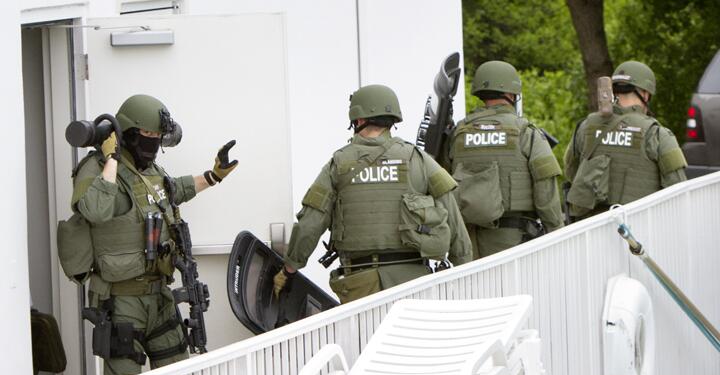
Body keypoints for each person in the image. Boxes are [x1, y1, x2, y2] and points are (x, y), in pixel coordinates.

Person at [66, 94, 238, 375]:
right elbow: (93, 208)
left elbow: (171, 191)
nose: (153, 143)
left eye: (158, 137)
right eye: (145, 136)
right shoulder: (98, 168)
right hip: (121, 301)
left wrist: (211, 177)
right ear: (124, 135)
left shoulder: (150, 170)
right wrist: (108, 159)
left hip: (159, 297)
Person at [273, 84, 472, 304]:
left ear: (357, 119)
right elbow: (452, 216)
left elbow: (311, 223)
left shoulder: (339, 163)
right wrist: (465, 266)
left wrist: (289, 270)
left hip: (360, 284)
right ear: (392, 119)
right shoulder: (418, 158)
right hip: (414, 283)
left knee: (367, 339)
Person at [443, 60, 564, 259]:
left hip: (468, 244)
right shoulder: (525, 132)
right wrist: (557, 230)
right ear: (511, 94)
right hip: (515, 243)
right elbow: (545, 187)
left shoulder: (459, 133)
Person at [564, 60, 687, 220]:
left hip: (590, 230)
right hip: (639, 230)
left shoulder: (586, 127)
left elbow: (570, 171)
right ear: (645, 94)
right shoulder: (656, 134)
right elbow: (677, 189)